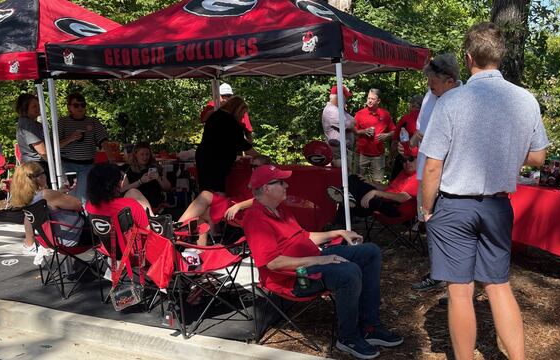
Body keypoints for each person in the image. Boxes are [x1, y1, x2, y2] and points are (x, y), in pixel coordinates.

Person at [420, 23, 548, 360]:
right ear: (499, 56)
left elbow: (433, 165)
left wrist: (426, 209)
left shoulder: (452, 101)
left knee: (460, 293)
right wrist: (502, 151)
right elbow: (537, 157)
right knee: (498, 285)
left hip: (455, 206)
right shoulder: (525, 99)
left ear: (469, 57)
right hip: (497, 206)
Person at [242, 165, 403, 359]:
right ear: (266, 188)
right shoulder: (255, 219)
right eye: (281, 182)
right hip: (293, 277)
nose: (286, 185)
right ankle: (348, 337)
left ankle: (370, 326)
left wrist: (337, 233)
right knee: (348, 272)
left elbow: (305, 236)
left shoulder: (279, 209)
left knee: (370, 252)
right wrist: (321, 259)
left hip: (313, 259)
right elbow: (273, 263)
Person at [411, 53, 461, 292]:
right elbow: (421, 127)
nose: (430, 88)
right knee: (430, 223)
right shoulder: (431, 96)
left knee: (448, 226)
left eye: (434, 83)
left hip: (449, 174)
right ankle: (438, 272)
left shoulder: (463, 99)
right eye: (429, 83)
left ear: (450, 80)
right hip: (426, 169)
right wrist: (416, 136)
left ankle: (452, 278)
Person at [9, 162, 90, 252]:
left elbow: (30, 216)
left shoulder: (27, 198)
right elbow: (79, 205)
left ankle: (29, 244)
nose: (46, 176)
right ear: (38, 178)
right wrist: (60, 195)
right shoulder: (47, 194)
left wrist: (59, 193)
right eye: (44, 173)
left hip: (52, 242)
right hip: (76, 238)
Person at [328, 148, 419, 227]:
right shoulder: (404, 173)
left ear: (419, 160)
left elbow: (403, 198)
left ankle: (339, 225)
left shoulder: (418, 177)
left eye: (411, 159)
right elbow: (390, 188)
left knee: (351, 195)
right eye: (404, 160)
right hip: (383, 202)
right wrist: (371, 183)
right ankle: (345, 203)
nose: (407, 162)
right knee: (355, 178)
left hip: (396, 209)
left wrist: (375, 192)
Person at [195, 96, 268, 194]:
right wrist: (260, 156)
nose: (242, 117)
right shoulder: (230, 121)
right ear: (238, 109)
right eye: (242, 114)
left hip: (204, 157)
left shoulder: (215, 115)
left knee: (206, 192)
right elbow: (242, 145)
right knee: (217, 193)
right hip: (215, 161)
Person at [58, 93, 113, 203]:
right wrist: (71, 138)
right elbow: (55, 146)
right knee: (70, 195)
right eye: (76, 105)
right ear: (69, 107)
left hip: (87, 165)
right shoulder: (62, 122)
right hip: (67, 164)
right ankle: (72, 218)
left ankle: (83, 218)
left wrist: (112, 160)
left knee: (83, 196)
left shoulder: (93, 122)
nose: (80, 108)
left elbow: (104, 141)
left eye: (83, 105)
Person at [14, 93, 49, 255]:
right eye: (34, 106)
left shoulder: (32, 123)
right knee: (34, 205)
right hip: (34, 169)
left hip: (36, 166)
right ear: (25, 109)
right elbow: (43, 151)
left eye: (38, 105)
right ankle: (29, 243)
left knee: (38, 204)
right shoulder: (27, 125)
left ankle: (39, 241)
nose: (38, 108)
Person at [84, 163, 152, 230]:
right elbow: (149, 229)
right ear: (114, 183)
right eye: (120, 178)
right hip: (130, 240)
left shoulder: (89, 206)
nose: (121, 181)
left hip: (106, 240)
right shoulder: (130, 205)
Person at [176, 190, 253, 246]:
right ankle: (202, 252)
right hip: (235, 202)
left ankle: (175, 230)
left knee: (205, 196)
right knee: (201, 209)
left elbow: (259, 199)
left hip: (244, 210)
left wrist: (239, 206)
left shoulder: (262, 175)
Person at [354, 88, 395, 184]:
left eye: (372, 99)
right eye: (368, 98)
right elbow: (353, 131)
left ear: (378, 101)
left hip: (378, 155)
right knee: (358, 180)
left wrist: (386, 136)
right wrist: (364, 132)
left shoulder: (385, 114)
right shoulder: (360, 114)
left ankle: (374, 198)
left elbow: (394, 131)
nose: (369, 100)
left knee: (377, 183)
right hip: (361, 154)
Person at [121, 142, 172, 214]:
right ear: (136, 155)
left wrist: (158, 179)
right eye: (142, 154)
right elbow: (123, 190)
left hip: (157, 205)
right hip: (138, 206)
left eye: (147, 154)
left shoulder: (156, 168)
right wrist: (140, 181)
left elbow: (168, 188)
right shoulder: (130, 170)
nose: (145, 157)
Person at [388, 94, 422, 179]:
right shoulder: (429, 119)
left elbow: (395, 141)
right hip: (422, 159)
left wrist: (390, 158)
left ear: (411, 105)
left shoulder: (406, 119)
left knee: (396, 183)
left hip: (406, 157)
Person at [321, 85, 356, 167]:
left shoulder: (338, 109)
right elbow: (351, 125)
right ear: (338, 97)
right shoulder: (332, 111)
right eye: (345, 97)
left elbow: (353, 121)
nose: (346, 100)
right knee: (340, 178)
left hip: (342, 152)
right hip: (338, 153)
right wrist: (352, 121)